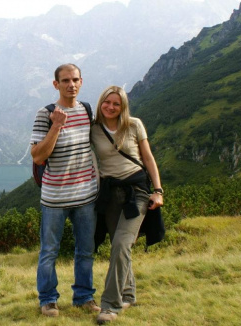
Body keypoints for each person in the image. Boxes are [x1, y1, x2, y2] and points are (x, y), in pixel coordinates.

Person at [30, 63, 100, 317]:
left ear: (81, 82)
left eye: (75, 79)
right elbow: (38, 156)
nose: (71, 84)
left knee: (85, 249)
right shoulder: (45, 114)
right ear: (55, 84)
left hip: (86, 197)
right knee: (49, 251)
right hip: (55, 198)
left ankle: (84, 297)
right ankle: (48, 299)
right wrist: (57, 126)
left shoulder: (87, 110)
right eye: (65, 80)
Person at [90, 85, 164, 324]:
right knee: (119, 245)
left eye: (116, 103)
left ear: (123, 107)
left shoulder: (134, 125)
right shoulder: (93, 128)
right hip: (110, 194)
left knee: (121, 244)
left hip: (137, 192)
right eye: (107, 102)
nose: (110, 107)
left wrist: (158, 190)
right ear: (101, 102)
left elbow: (148, 157)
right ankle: (129, 294)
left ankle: (109, 306)